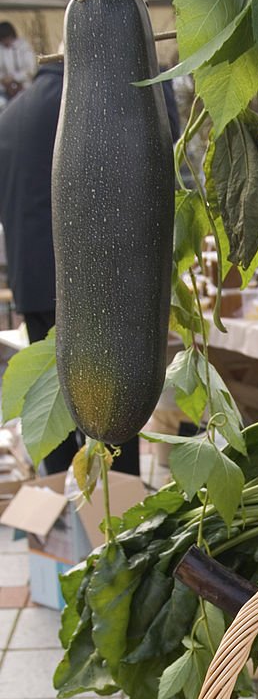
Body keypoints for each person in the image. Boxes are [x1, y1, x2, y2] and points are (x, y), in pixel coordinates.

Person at [0, 59, 140, 474]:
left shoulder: (10, 115)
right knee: (113, 409)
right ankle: (117, 509)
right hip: (89, 281)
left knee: (53, 396)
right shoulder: (84, 106)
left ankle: (63, 502)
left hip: (30, 279)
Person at [0, 22, 37, 104]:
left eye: (7, 38)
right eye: (3, 40)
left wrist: (14, 78)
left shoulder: (23, 46)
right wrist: (4, 80)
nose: (5, 42)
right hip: (4, 89)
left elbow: (31, 70)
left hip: (24, 86)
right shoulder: (1, 48)